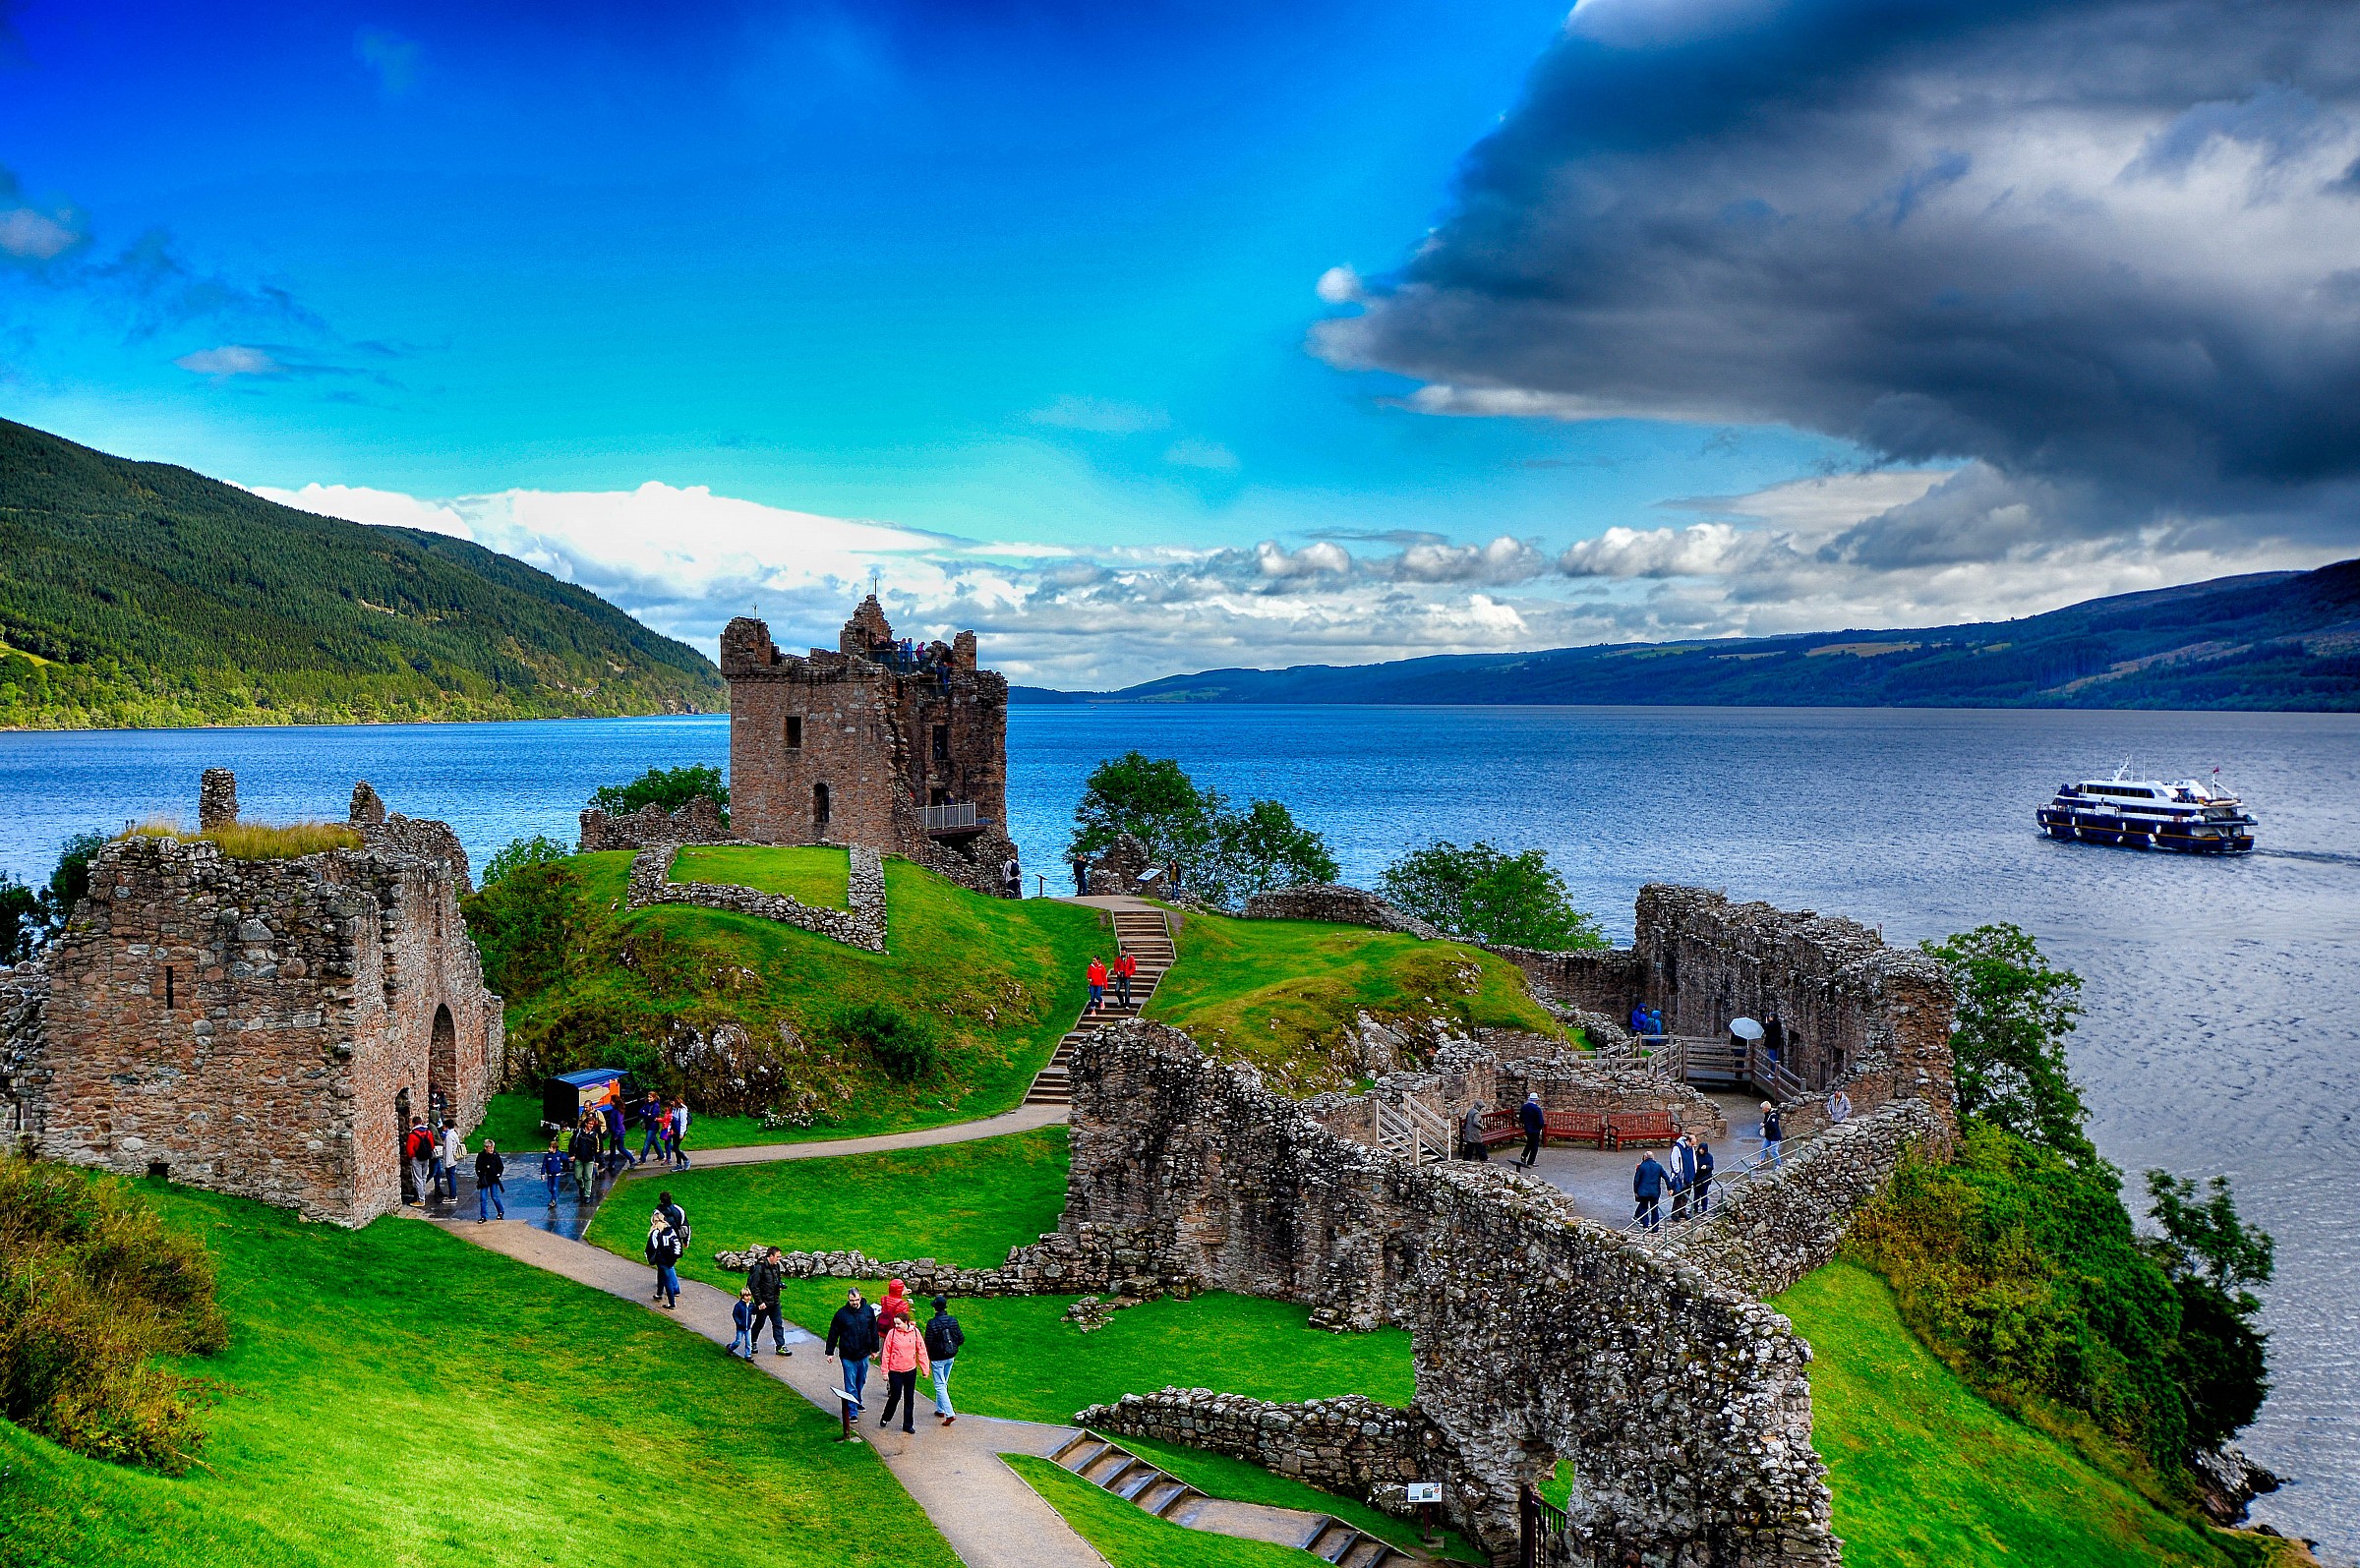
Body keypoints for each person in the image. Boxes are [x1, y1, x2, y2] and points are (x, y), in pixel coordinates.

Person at [826, 1287, 882, 1441]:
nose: (855, 1303)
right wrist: (829, 1352)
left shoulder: (868, 1311)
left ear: (860, 1297)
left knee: (861, 1380)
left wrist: (874, 1349)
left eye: (856, 1300)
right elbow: (833, 1333)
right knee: (850, 1383)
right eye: (852, 1300)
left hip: (863, 1354)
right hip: (848, 1355)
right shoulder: (841, 1314)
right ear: (848, 1299)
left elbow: (874, 1330)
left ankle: (858, 1401)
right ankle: (852, 1411)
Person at [876, 1307, 932, 1434]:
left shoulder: (915, 1333)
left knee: (909, 1398)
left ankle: (908, 1425)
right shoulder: (892, 1333)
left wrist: (925, 1369)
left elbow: (921, 1350)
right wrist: (885, 1371)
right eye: (895, 1323)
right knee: (895, 1396)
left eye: (898, 1324)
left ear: (906, 1322)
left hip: (910, 1370)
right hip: (895, 1371)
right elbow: (886, 1353)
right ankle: (886, 1417)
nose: (896, 1326)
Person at [923, 1295, 965, 1425]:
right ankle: (940, 1409)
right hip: (950, 1356)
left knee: (939, 1385)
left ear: (935, 1308)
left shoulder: (932, 1323)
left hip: (937, 1358)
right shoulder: (953, 1321)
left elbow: (928, 1342)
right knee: (944, 1383)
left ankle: (949, 1413)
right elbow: (961, 1338)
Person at [748, 1247, 791, 1357]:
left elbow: (777, 1279)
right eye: (777, 1257)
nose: (779, 1259)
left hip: (774, 1301)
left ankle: (780, 1346)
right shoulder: (760, 1268)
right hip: (764, 1303)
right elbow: (754, 1286)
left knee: (778, 1324)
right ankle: (752, 1342)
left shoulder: (776, 1266)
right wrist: (759, 1302)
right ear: (771, 1256)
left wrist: (779, 1285)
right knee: (759, 1324)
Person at [645, 1212, 680, 1308]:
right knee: (661, 1274)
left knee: (667, 1280)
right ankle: (659, 1294)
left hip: (661, 1259)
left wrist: (650, 1258)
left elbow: (652, 1247)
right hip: (670, 1258)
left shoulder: (656, 1232)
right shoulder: (670, 1230)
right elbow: (676, 1243)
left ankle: (672, 1303)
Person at [404, 1118, 436, 1207]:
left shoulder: (412, 1135)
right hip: (426, 1157)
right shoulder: (428, 1132)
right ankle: (422, 1195)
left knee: (418, 1179)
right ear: (421, 1122)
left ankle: (421, 1199)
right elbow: (432, 1145)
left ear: (413, 1123)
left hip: (416, 1158)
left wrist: (411, 1157)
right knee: (424, 1177)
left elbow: (409, 1149)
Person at [1632, 1149, 1667, 1231]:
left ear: (1645, 1157)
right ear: (1653, 1157)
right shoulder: (1658, 1166)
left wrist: (1636, 1191)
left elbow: (1636, 1180)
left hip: (1643, 1192)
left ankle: (1645, 1226)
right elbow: (1666, 1177)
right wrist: (1670, 1188)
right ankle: (1655, 1227)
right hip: (1655, 1192)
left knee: (1644, 1208)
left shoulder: (1641, 1167)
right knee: (1654, 1209)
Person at [474, 1138, 506, 1223]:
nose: (492, 1149)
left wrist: (498, 1174)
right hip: (484, 1179)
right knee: (483, 1198)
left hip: (493, 1179)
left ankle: (500, 1211)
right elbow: (477, 1167)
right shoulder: (481, 1156)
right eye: (490, 1148)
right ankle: (483, 1216)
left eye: (492, 1148)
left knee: (494, 1196)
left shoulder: (495, 1155)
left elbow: (500, 1166)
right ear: (485, 1148)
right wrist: (480, 1175)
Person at [1668, 1133, 1697, 1223]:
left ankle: (1682, 1211)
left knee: (1686, 1195)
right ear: (1688, 1141)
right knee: (1678, 1195)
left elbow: (1694, 1160)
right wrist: (1677, 1173)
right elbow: (1674, 1161)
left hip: (1689, 1175)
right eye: (1692, 1144)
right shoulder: (1677, 1148)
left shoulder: (1691, 1149)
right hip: (1681, 1177)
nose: (1693, 1146)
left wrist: (1694, 1170)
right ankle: (1675, 1213)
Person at [569, 1117, 601, 1193]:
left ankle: (587, 1194)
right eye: (590, 1124)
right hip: (579, 1157)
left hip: (589, 1159)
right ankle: (581, 1186)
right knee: (578, 1177)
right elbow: (572, 1143)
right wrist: (572, 1154)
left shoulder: (594, 1135)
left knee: (588, 1177)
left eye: (592, 1124)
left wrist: (597, 1160)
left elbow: (597, 1148)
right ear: (586, 1124)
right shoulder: (578, 1132)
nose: (591, 1126)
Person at [637, 1091, 667, 1166]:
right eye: (648, 1097)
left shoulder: (656, 1105)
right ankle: (661, 1156)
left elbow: (653, 1116)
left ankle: (642, 1159)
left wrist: (646, 1114)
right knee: (654, 1142)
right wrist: (647, 1114)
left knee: (647, 1142)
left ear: (654, 1098)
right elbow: (640, 1111)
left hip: (653, 1127)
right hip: (648, 1125)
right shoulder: (647, 1104)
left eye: (650, 1097)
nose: (649, 1098)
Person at [1516, 1092, 1545, 1169]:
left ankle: (1524, 1155)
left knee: (1530, 1142)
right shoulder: (1537, 1109)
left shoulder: (1524, 1107)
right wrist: (1541, 1127)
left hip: (1527, 1128)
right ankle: (1530, 1162)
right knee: (1534, 1146)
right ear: (1536, 1100)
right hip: (1535, 1129)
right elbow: (1540, 1121)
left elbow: (1521, 1119)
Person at [439, 1120, 463, 1200]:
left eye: (444, 1125)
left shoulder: (449, 1137)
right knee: (451, 1177)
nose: (443, 1127)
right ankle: (453, 1194)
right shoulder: (453, 1134)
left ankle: (452, 1196)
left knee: (450, 1178)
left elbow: (448, 1151)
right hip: (453, 1159)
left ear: (447, 1126)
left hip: (450, 1160)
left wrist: (447, 1163)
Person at [1692, 1135, 1717, 1217]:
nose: (1701, 1151)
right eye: (1700, 1149)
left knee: (1704, 1194)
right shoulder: (1696, 1155)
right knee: (1696, 1194)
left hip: (1705, 1178)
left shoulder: (1709, 1157)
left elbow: (1711, 1166)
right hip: (1697, 1178)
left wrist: (1706, 1167)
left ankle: (1704, 1209)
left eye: (1702, 1149)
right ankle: (1695, 1208)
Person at [731, 1288, 757, 1362]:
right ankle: (730, 1348)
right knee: (738, 1341)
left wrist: (758, 1308)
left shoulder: (751, 1305)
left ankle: (748, 1355)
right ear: (742, 1296)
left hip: (748, 1327)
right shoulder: (739, 1305)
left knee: (748, 1342)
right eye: (746, 1296)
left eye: (749, 1295)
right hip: (740, 1327)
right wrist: (739, 1322)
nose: (748, 1297)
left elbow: (754, 1312)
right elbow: (735, 1314)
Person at [1459, 1098, 1489, 1162]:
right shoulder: (1477, 1113)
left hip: (1469, 1131)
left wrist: (1464, 1127)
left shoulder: (1471, 1111)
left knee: (1469, 1146)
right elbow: (1475, 1122)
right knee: (1479, 1145)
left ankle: (1466, 1159)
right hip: (1475, 1132)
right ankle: (1484, 1158)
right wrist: (1482, 1126)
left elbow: (1467, 1120)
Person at [540, 1136, 566, 1207]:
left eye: (550, 1148)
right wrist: (542, 1173)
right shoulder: (547, 1156)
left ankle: (553, 1199)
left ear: (554, 1148)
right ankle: (554, 1196)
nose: (549, 1149)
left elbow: (565, 1158)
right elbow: (544, 1164)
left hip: (556, 1174)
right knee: (549, 1187)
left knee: (554, 1187)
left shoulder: (559, 1154)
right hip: (550, 1174)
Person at [1760, 1102, 1785, 1169]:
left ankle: (1778, 1163)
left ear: (1767, 1108)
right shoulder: (1767, 1114)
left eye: (1763, 1109)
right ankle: (1761, 1161)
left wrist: (1765, 1125)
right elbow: (1766, 1121)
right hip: (1769, 1136)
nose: (1762, 1110)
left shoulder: (1773, 1116)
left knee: (1774, 1151)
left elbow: (1774, 1127)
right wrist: (1764, 1123)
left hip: (1774, 1137)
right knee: (1763, 1148)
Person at [669, 1098, 691, 1170]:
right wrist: (669, 1129)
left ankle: (686, 1159)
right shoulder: (673, 1109)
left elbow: (683, 1122)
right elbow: (671, 1120)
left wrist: (682, 1133)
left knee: (674, 1147)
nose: (671, 1103)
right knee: (676, 1147)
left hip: (680, 1131)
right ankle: (679, 1164)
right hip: (675, 1131)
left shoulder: (682, 1110)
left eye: (672, 1102)